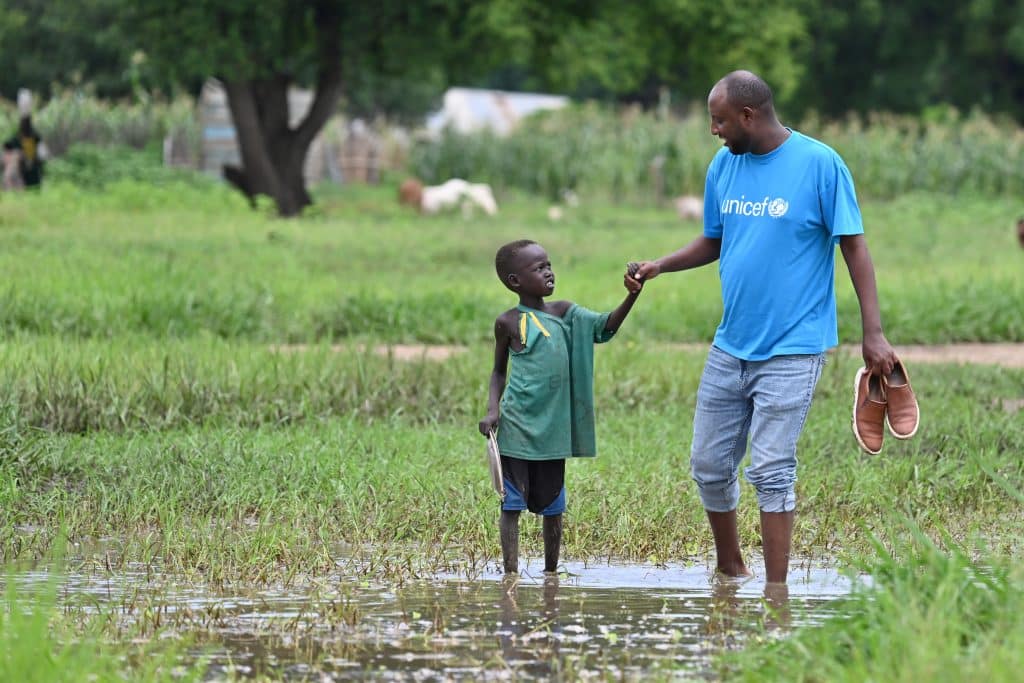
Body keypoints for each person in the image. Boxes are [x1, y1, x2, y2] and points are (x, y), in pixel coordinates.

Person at [632, 70, 899, 585]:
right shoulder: (724, 166)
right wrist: (659, 265)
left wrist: (874, 333)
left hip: (793, 348)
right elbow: (714, 239)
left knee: (772, 467)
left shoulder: (820, 164)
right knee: (708, 465)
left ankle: (777, 593)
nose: (714, 130)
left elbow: (855, 246)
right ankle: (730, 567)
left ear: (748, 116)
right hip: (731, 345)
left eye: (719, 120)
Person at [479, 239, 642, 574]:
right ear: (515, 282)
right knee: (511, 503)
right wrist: (493, 411)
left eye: (548, 265)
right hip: (517, 425)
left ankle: (550, 574)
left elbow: (605, 327)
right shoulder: (508, 322)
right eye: (538, 268)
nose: (549, 272)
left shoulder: (566, 313)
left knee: (553, 503)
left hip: (554, 428)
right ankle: (510, 574)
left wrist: (633, 295)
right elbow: (498, 372)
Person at [3, 115, 45, 189]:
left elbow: (41, 150)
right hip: (23, 163)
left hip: (33, 162)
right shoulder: (18, 137)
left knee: (34, 179)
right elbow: (7, 145)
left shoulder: (34, 136)